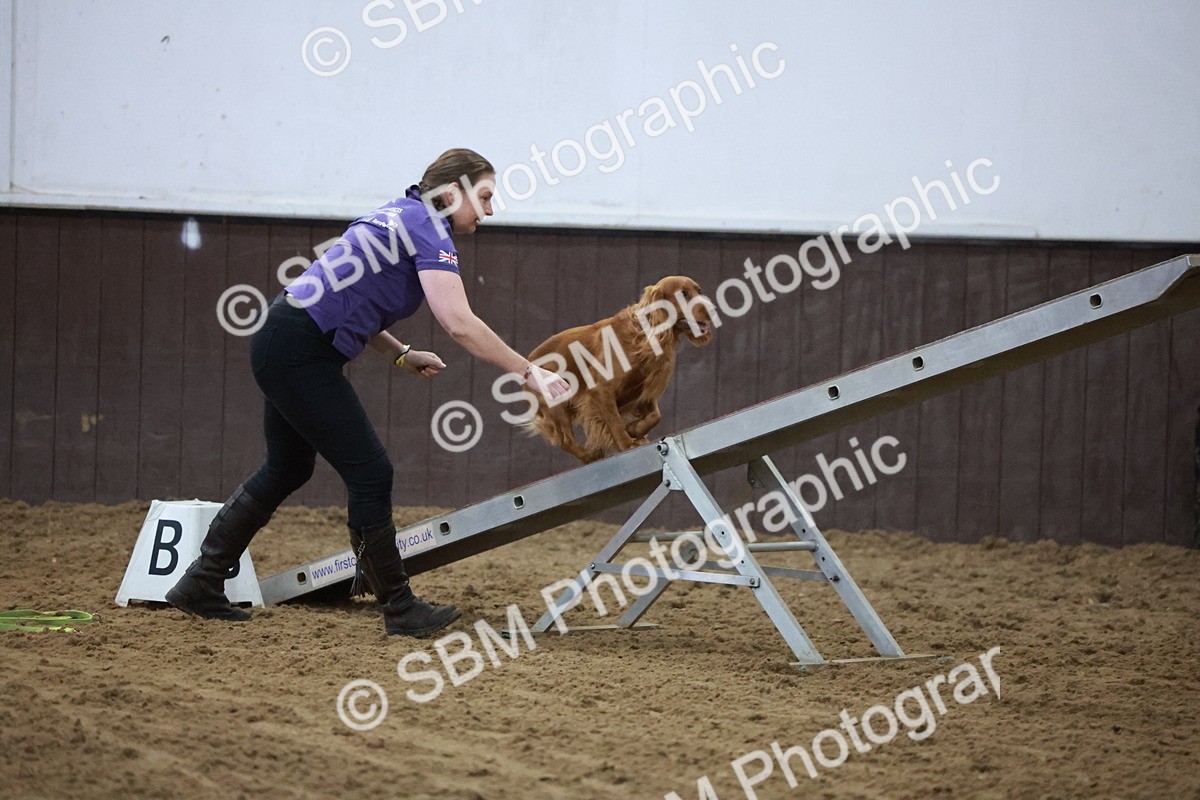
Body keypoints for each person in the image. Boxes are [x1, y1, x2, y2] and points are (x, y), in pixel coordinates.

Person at [166, 148, 570, 637]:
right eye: (483, 197)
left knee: (288, 467)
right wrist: (530, 372)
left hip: (284, 338)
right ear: (450, 193)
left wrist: (401, 354)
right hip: (298, 350)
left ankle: (200, 582)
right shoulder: (427, 227)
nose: (488, 210)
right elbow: (459, 323)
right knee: (370, 471)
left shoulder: (400, 215)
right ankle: (399, 607)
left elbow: (354, 298)